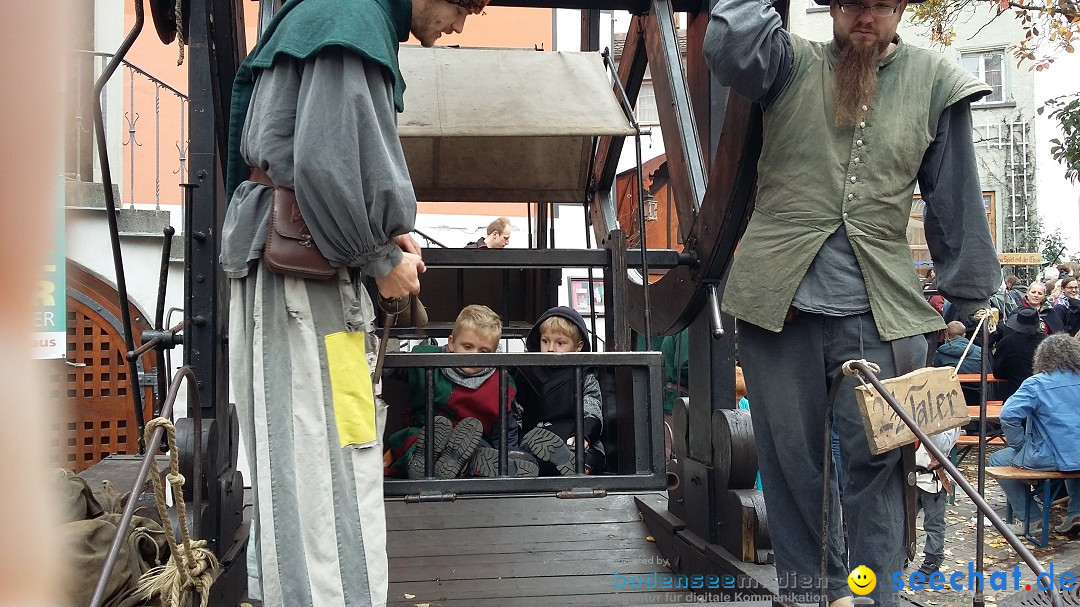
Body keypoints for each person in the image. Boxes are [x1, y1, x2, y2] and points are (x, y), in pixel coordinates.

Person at [703, 0, 1001, 603]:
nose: (866, 16)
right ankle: (816, 595)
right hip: (776, 309)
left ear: (899, 9)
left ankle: (872, 597)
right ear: (832, 6)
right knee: (793, 473)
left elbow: (957, 199)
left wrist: (971, 297)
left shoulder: (935, 80)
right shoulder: (786, 62)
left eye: (881, 5)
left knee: (880, 473)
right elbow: (730, 44)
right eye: (852, 3)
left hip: (882, 314)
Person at [219, 0, 489, 604]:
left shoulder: (333, 14)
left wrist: (378, 242)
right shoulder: (350, 17)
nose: (460, 24)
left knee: (332, 439)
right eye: (462, 5)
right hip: (308, 282)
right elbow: (323, 163)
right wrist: (379, 256)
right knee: (318, 451)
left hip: (305, 270)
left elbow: (307, 150)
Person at [385, 304, 536, 479]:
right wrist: (371, 366)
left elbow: (504, 428)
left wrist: (508, 456)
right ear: (451, 343)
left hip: (468, 444)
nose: (474, 356)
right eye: (468, 347)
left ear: (495, 353)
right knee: (413, 439)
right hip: (426, 434)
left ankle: (465, 467)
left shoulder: (499, 383)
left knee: (480, 451)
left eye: (484, 351)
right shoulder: (428, 361)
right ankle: (419, 464)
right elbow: (397, 365)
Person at [989, 334, 1080, 536]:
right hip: (1073, 455)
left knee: (997, 459)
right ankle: (1075, 513)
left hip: (1049, 456)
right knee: (1073, 456)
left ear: (1042, 357)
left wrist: (1019, 445)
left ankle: (1032, 520)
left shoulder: (1037, 383)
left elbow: (1008, 415)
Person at [513, 306, 605, 475]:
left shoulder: (585, 374)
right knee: (527, 453)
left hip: (575, 440)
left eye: (560, 343)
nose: (550, 348)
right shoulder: (526, 373)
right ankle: (529, 465)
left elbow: (592, 407)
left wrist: (584, 435)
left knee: (589, 457)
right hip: (535, 439)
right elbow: (517, 413)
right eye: (545, 341)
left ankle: (574, 466)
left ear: (578, 347)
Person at [912, 428, 958, 576]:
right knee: (902, 520)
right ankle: (902, 553)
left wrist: (926, 422)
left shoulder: (949, 418)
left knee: (933, 523)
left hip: (933, 479)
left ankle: (932, 560)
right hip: (910, 476)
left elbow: (942, 445)